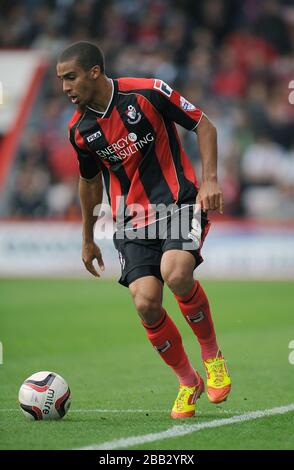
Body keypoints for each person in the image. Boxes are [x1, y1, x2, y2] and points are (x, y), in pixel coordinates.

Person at [57, 41, 231, 419]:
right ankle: (188, 381)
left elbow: (204, 125)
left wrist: (210, 181)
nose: (65, 87)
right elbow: (89, 183)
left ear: (94, 72)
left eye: (70, 77)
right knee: (146, 302)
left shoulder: (148, 92)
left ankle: (212, 356)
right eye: (61, 80)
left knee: (176, 272)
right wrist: (87, 239)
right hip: (130, 220)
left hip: (179, 203)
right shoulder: (80, 131)